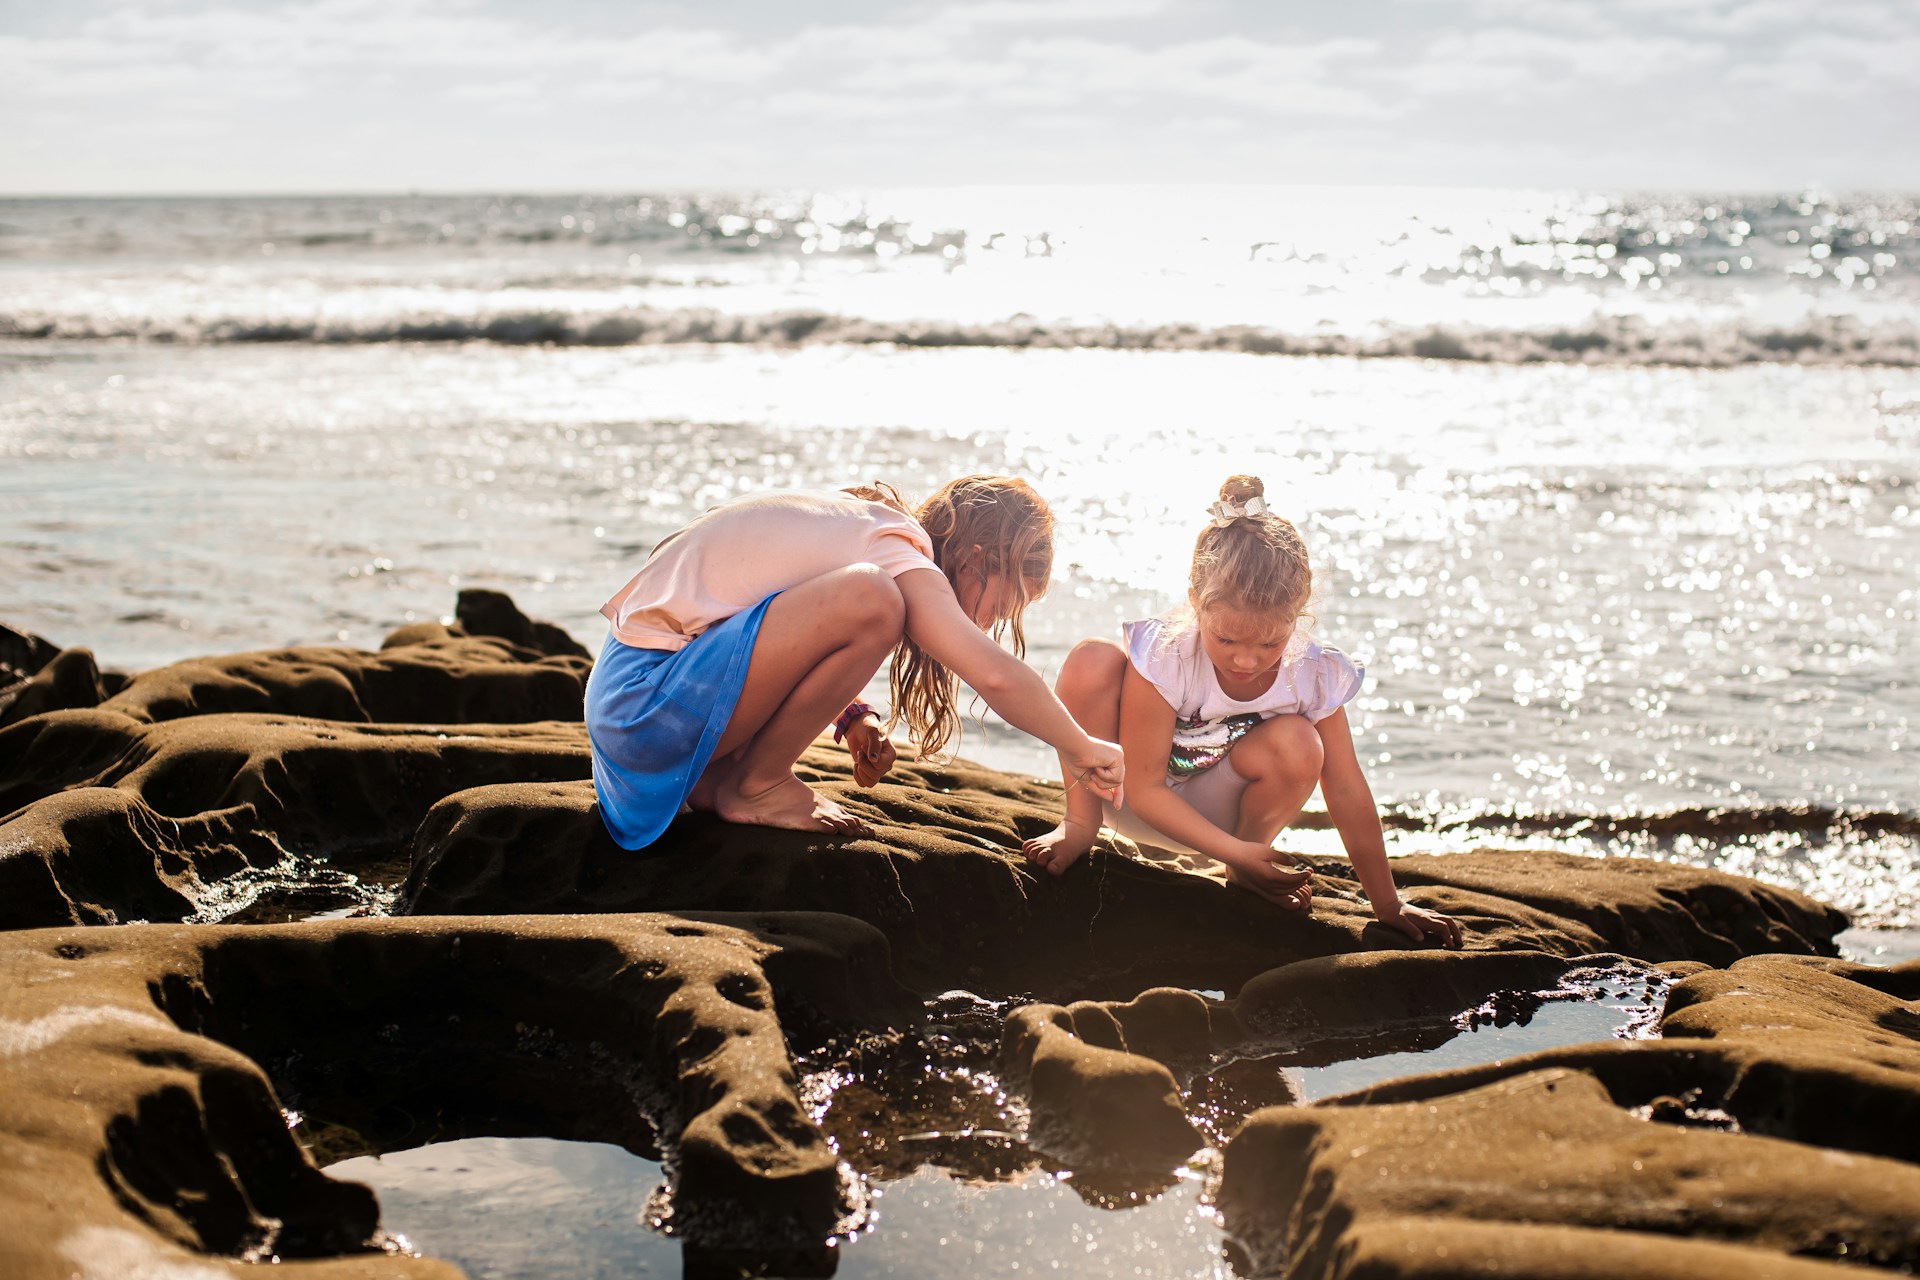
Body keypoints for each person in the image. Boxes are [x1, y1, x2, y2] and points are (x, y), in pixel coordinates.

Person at [1023, 475, 1461, 948]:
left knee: (1299, 741)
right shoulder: (1169, 653)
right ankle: (1079, 826)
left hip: (1227, 823)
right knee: (1092, 659)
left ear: (1298, 615)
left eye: (1270, 642)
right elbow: (1146, 788)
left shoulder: (1312, 674)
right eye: (1226, 639)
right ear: (1195, 603)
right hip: (1129, 799)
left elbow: (1347, 788)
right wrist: (1238, 851)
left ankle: (1244, 870)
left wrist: (1388, 904)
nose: (1246, 660)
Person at [586, 477, 1125, 849]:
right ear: (976, 558)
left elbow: (769, 632)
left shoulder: (862, 528)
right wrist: (1083, 746)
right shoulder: (894, 551)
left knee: (870, 596)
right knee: (873, 600)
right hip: (645, 706)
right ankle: (758, 783)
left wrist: (851, 716)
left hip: (631, 708)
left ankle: (730, 779)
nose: (989, 626)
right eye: (1004, 604)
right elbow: (994, 673)